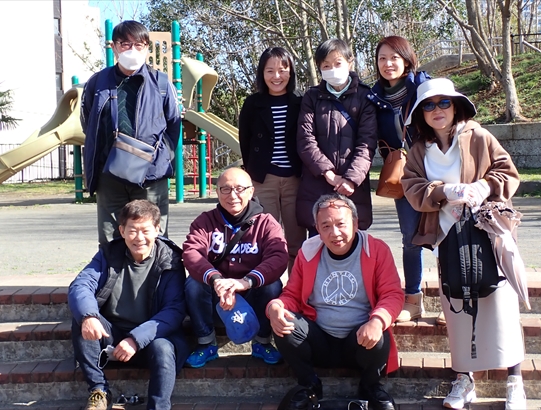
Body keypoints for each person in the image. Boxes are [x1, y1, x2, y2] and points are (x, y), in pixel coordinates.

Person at [400, 78, 526, 410]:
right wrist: (444, 191)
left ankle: (515, 381)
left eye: (444, 102)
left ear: (456, 106)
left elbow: (507, 171)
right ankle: (464, 379)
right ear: (420, 113)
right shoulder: (419, 151)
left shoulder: (479, 136)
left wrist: (485, 186)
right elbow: (411, 187)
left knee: (500, 306)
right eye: (429, 105)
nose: (437, 110)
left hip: (488, 236)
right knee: (457, 310)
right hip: (448, 239)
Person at [268, 194, 404, 410]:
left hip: (358, 341)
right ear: (317, 229)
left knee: (380, 333)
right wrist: (276, 306)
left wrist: (377, 321)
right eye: (326, 226)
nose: (335, 233)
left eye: (341, 224)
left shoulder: (376, 250)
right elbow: (292, 294)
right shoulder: (308, 251)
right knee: (283, 322)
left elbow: (392, 294)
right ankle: (309, 385)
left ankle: (370, 386)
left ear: (355, 223)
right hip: (318, 338)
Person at [68, 199, 189, 410]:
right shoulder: (109, 254)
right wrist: (89, 315)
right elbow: (81, 285)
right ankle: (99, 391)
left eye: (145, 230)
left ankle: (159, 407)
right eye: (132, 230)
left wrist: (136, 339)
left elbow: (174, 311)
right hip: (113, 335)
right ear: (122, 231)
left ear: (157, 230)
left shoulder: (171, 260)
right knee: (83, 319)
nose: (139, 238)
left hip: (153, 338)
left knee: (163, 347)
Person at [81, 20, 180, 245]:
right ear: (114, 47)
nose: (132, 50)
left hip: (151, 175)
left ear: (146, 48)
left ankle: (157, 270)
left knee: (154, 235)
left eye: (138, 44)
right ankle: (112, 270)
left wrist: (160, 156)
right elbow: (88, 121)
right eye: (125, 44)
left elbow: (173, 125)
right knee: (110, 238)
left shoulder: (162, 83)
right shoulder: (97, 83)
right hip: (109, 174)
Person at [182, 167, 288, 368]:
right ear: (217, 191)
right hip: (217, 299)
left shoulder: (266, 223)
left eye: (240, 189)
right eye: (226, 189)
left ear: (251, 191)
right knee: (193, 284)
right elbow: (191, 253)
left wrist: (246, 282)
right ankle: (206, 343)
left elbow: (278, 256)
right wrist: (216, 281)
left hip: (251, 295)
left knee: (272, 285)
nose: (233, 196)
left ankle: (262, 342)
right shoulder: (205, 221)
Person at [368, 35, 431, 323]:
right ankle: (413, 299)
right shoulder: (373, 97)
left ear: (407, 60)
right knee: (410, 238)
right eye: (382, 58)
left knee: (447, 234)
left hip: (435, 169)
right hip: (403, 176)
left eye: (394, 57)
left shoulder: (422, 86)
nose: (388, 64)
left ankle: (452, 299)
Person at [296, 38, 377, 235]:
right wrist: (328, 173)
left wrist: (351, 179)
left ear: (350, 62)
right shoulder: (311, 97)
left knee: (351, 240)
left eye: (338, 63)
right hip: (317, 186)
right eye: (326, 65)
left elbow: (367, 144)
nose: (332, 69)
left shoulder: (365, 97)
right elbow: (305, 139)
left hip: (352, 190)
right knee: (318, 239)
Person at [239, 47, 306, 273]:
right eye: (270, 71)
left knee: (297, 240)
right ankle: (267, 286)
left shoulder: (301, 101)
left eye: (282, 69)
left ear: (291, 72)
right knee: (265, 238)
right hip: (263, 179)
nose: (277, 76)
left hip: (296, 179)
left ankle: (296, 287)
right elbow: (245, 142)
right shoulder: (252, 104)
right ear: (262, 73)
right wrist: (252, 174)